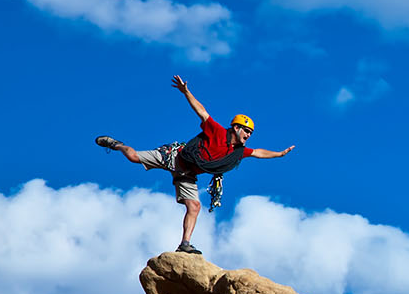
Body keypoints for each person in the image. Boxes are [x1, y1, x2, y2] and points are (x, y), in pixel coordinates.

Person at [96, 76, 295, 254]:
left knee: (195, 205)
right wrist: (186, 92)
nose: (248, 135)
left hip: (188, 172)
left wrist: (279, 154)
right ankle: (117, 144)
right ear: (235, 128)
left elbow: (259, 152)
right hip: (174, 156)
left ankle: (185, 243)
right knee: (132, 157)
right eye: (245, 130)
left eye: (250, 133)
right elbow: (202, 112)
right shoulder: (217, 131)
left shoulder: (238, 152)